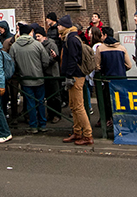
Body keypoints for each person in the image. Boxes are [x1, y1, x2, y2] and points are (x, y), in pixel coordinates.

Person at [9, 23, 51, 134]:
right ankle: (42, 124)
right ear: (30, 33)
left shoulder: (14, 46)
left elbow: (12, 64)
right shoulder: (37, 45)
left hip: (25, 79)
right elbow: (46, 61)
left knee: (30, 103)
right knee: (41, 102)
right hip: (38, 78)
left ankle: (33, 126)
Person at [58, 15, 92, 145]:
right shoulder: (69, 38)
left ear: (65, 26)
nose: (58, 27)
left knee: (78, 106)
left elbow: (73, 59)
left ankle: (87, 135)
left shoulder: (71, 39)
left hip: (76, 76)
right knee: (73, 106)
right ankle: (77, 132)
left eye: (60, 25)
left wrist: (70, 75)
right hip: (74, 75)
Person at [95, 27, 131, 128]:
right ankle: (122, 121)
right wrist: (121, 69)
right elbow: (129, 65)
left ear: (105, 35)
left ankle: (108, 120)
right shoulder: (121, 48)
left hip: (107, 79)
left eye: (102, 35)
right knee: (120, 101)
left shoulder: (100, 49)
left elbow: (97, 65)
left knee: (107, 101)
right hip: (121, 79)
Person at [34, 25, 62, 124]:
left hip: (52, 73)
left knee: (55, 95)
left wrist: (45, 62)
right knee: (48, 96)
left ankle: (57, 114)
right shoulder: (38, 45)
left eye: (38, 36)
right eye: (36, 36)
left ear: (44, 36)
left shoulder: (51, 44)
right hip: (44, 73)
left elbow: (55, 58)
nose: (37, 38)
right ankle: (50, 113)